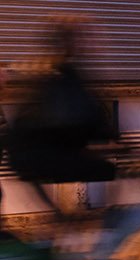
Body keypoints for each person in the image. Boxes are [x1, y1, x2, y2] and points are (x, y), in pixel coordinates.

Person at [7, 18, 119, 215]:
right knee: (109, 170)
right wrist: (110, 134)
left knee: (105, 168)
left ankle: (63, 220)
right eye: (82, 38)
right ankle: (89, 222)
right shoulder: (63, 74)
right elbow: (79, 115)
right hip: (46, 156)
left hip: (29, 156)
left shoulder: (51, 71)